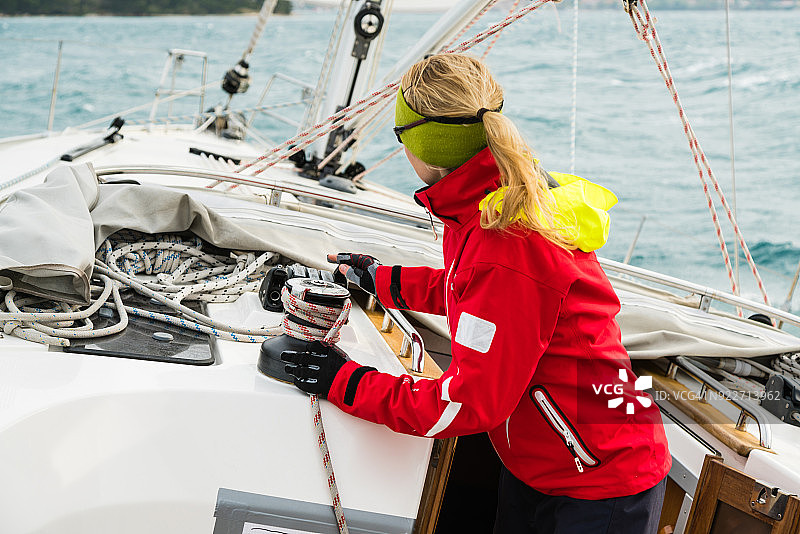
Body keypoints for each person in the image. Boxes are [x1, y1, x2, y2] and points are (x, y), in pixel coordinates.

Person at [281, 54, 671, 533]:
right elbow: (474, 293)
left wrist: (343, 380)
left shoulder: (504, 239)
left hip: (599, 481)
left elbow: (468, 402)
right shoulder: (485, 197)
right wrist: (381, 281)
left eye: (401, 136)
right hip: (546, 460)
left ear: (424, 143)